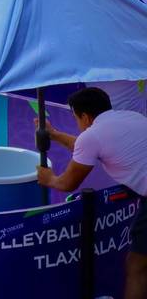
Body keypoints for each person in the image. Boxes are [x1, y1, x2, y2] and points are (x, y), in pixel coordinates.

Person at [36, 87, 147, 299]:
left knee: (137, 266)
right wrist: (55, 135)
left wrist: (48, 178)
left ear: (85, 116)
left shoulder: (93, 136)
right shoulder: (133, 117)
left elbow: (68, 183)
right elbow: (87, 148)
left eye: (76, 118)